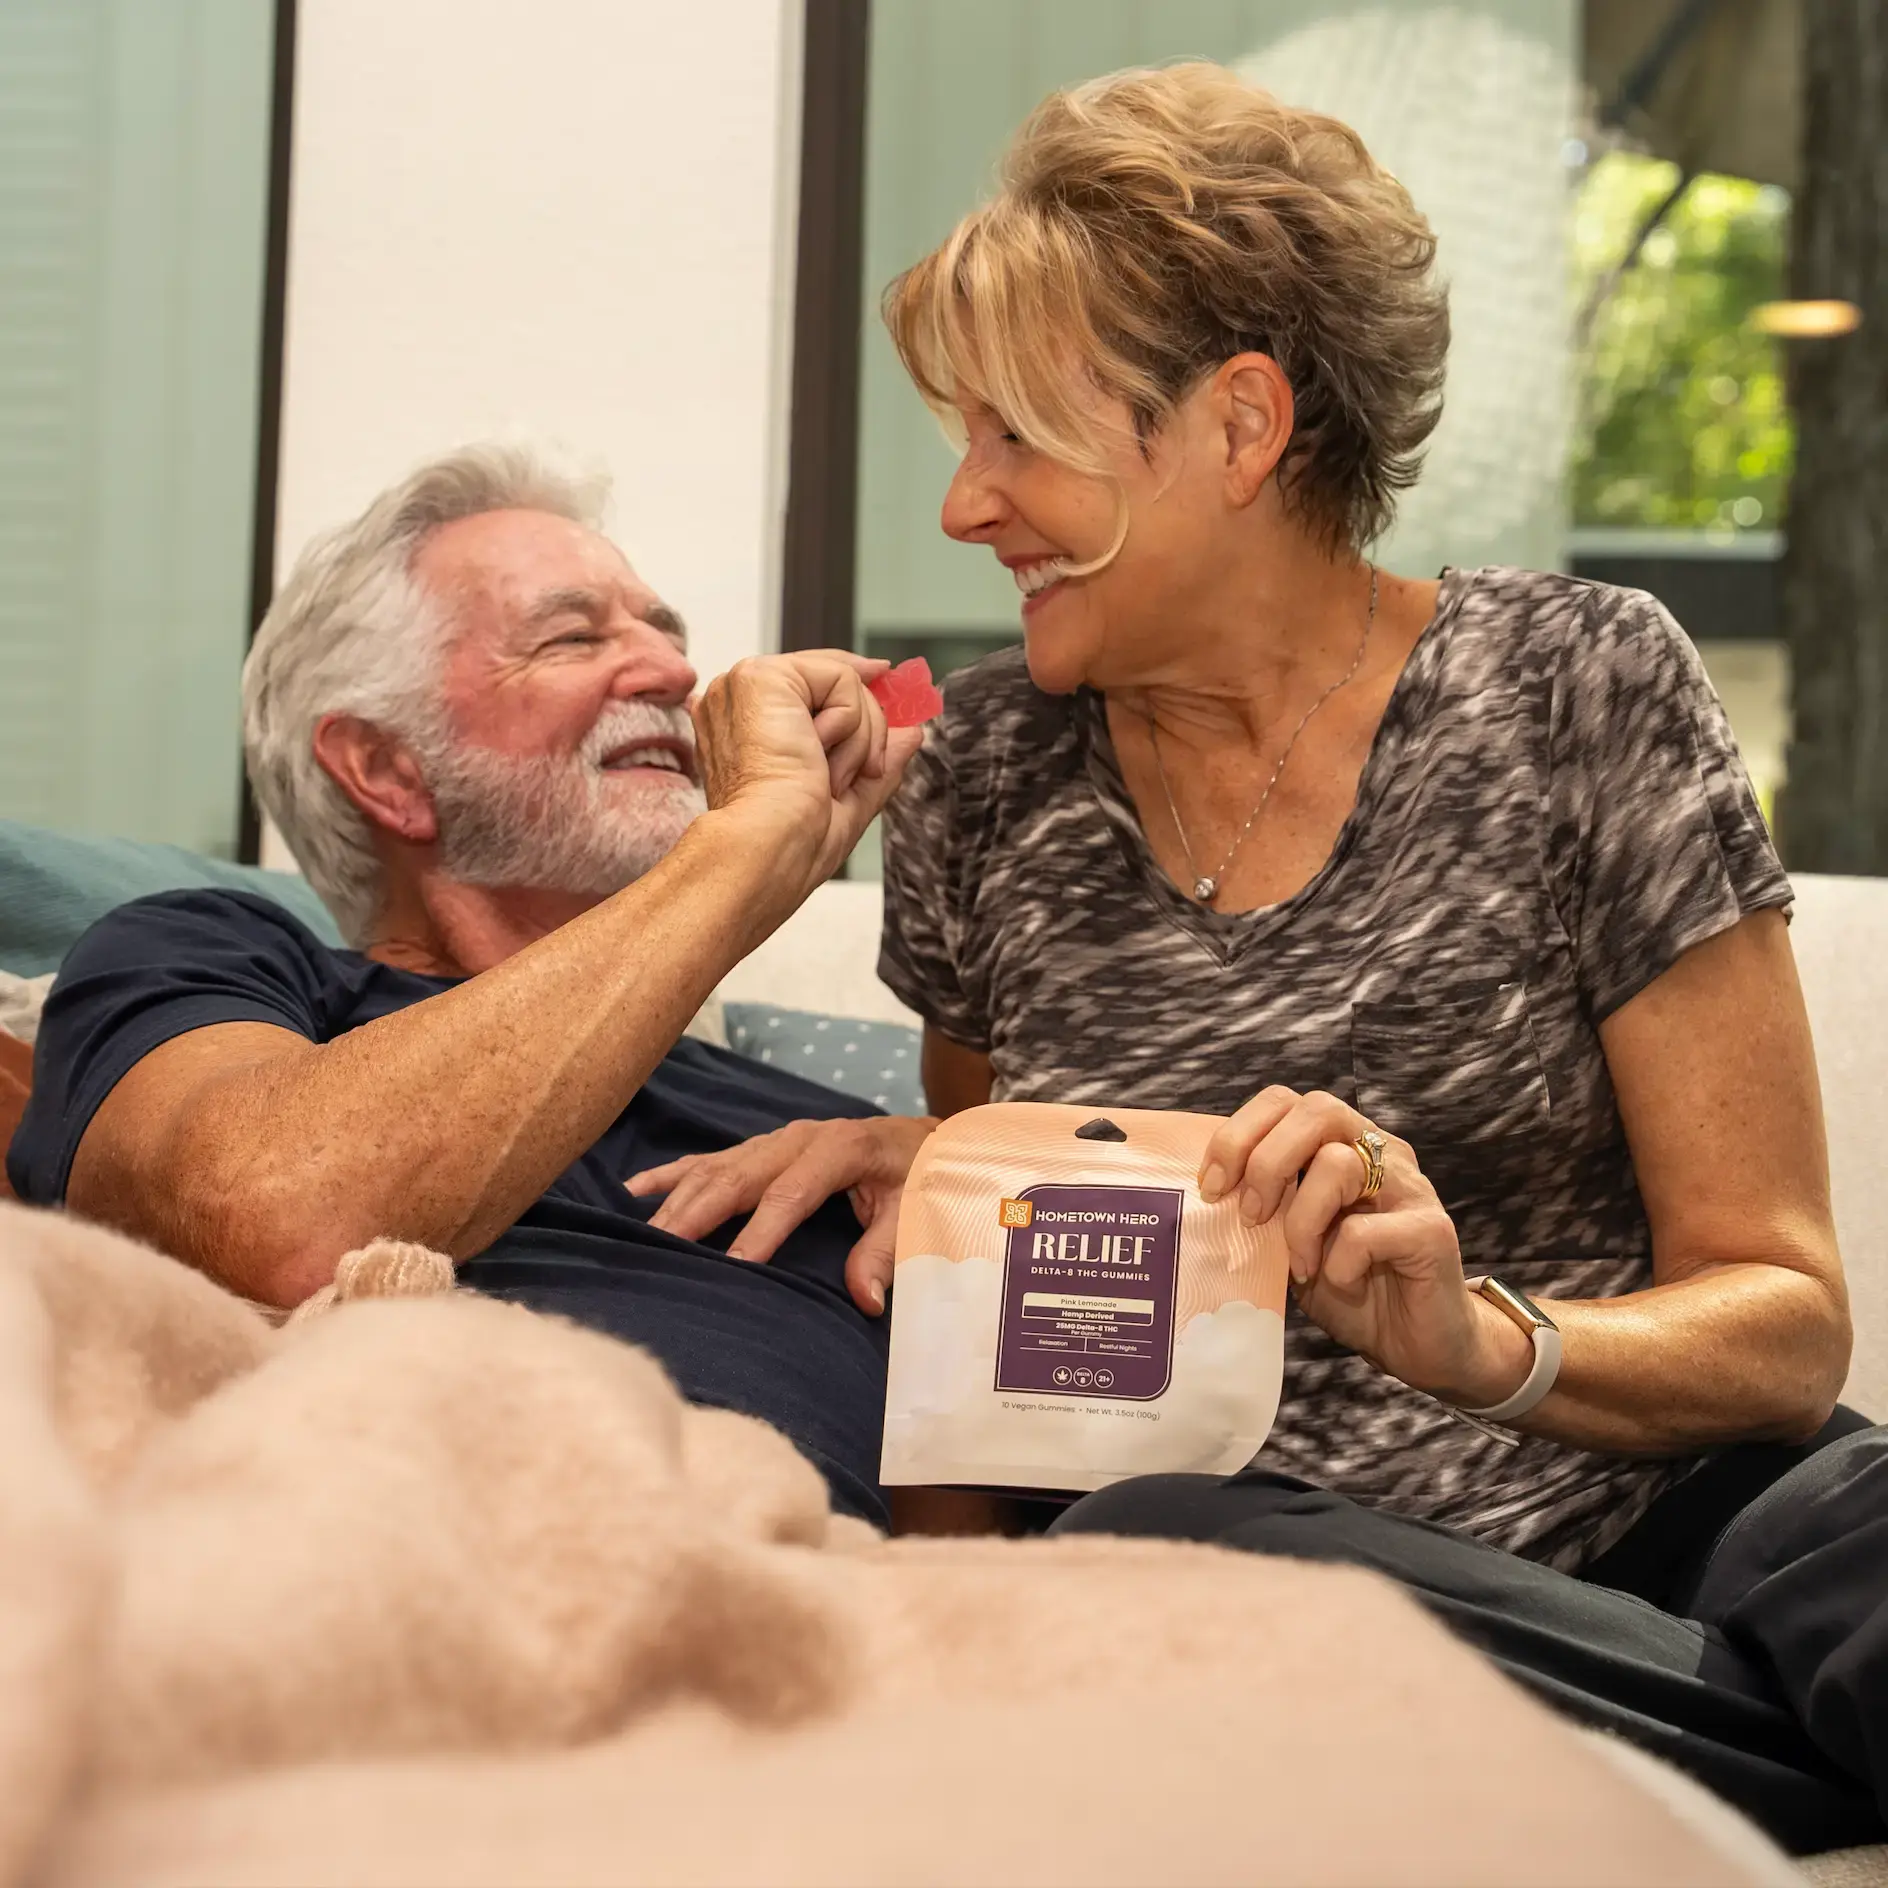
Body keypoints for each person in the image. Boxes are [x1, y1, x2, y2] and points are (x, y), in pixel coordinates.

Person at [631, 64, 1888, 1851]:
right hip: (1290, 1562)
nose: (959, 506)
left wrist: (1474, 1340)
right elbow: (1006, 1377)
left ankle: (1658, 1770)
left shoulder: (1576, 683)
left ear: (1235, 429)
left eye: (1016, 438)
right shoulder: (984, 782)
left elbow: (1776, 1323)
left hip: (1680, 1500)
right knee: (1160, 1551)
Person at [4, 445, 935, 1531]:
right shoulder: (223, 961)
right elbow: (271, 1219)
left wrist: (964, 1176)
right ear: (386, 770)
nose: (676, 675)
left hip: (833, 1599)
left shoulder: (817, 1135)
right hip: (417, 1545)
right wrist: (740, 857)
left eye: (665, 631)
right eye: (573, 635)